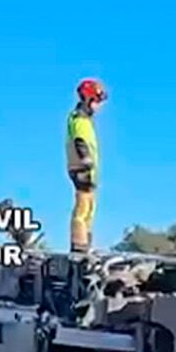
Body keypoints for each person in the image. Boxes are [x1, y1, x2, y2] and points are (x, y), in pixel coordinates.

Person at [65, 78, 107, 253]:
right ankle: (79, 245)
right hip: (81, 167)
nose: (99, 106)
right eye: (97, 101)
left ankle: (86, 243)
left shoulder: (86, 120)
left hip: (89, 170)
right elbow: (79, 139)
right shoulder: (79, 118)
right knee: (83, 207)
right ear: (88, 99)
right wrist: (85, 160)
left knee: (90, 207)